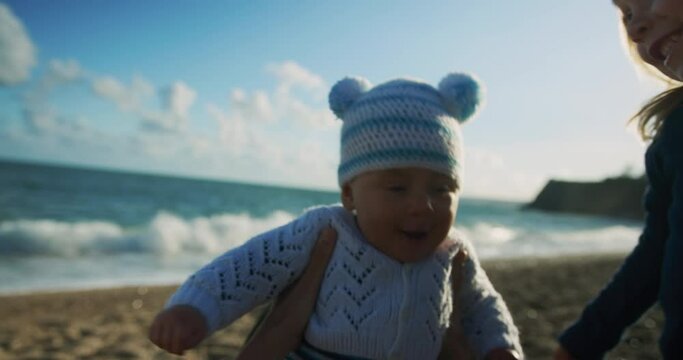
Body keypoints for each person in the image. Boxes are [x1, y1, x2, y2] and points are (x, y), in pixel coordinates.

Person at [149, 72, 523, 359]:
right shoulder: (326, 230)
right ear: (349, 193)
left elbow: (483, 306)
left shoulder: (454, 251)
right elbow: (249, 268)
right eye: (396, 188)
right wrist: (193, 308)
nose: (421, 205)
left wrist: (500, 348)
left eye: (442, 189)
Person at [555, 0, 683, 358]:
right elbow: (656, 252)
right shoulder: (674, 133)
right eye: (625, 13)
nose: (634, 25)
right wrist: (581, 342)